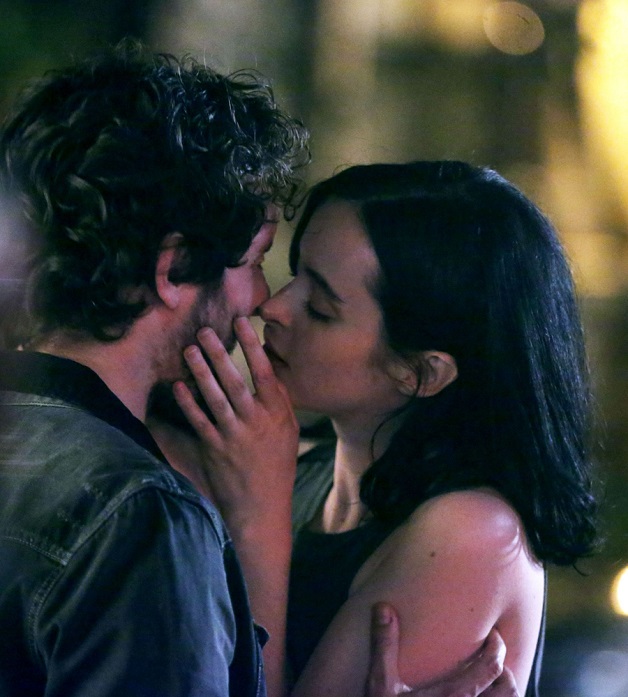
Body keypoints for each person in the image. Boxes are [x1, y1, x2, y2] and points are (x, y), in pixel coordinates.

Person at [0, 44, 516, 697]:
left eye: (320, 302)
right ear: (172, 269)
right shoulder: (141, 514)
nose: (266, 301)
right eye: (256, 260)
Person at [171, 161, 598, 697]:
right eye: (296, 274)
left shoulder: (471, 533)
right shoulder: (303, 470)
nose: (273, 307)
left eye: (321, 308)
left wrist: (259, 523)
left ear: (421, 372)